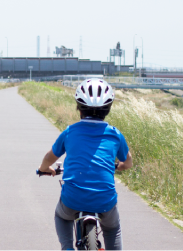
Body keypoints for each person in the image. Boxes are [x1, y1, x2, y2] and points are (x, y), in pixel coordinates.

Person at [38, 78, 133, 251]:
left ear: (79, 108)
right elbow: (128, 163)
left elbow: (49, 157)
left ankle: (67, 248)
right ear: (109, 109)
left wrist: (44, 169)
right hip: (105, 200)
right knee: (112, 229)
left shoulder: (70, 132)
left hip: (73, 199)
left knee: (62, 216)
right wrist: (117, 166)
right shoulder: (115, 135)